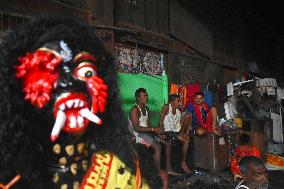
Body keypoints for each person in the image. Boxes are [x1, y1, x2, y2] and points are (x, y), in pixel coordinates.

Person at [0, 15, 163, 189]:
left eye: (86, 72)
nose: (71, 81)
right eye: (51, 70)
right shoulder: (10, 174)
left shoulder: (122, 169)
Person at [129, 88, 179, 176]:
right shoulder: (134, 110)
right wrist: (153, 130)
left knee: (167, 142)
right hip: (137, 136)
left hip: (146, 133)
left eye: (147, 95)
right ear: (138, 98)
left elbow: (148, 126)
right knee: (157, 147)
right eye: (144, 96)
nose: (146, 97)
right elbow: (136, 128)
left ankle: (168, 169)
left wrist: (158, 133)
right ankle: (157, 173)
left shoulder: (146, 109)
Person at [158, 94, 191, 174]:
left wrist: (183, 133)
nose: (179, 103)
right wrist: (160, 133)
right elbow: (161, 121)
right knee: (186, 141)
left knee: (188, 116)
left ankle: (183, 163)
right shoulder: (166, 107)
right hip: (167, 132)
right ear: (172, 102)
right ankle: (183, 163)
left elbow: (177, 126)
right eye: (178, 101)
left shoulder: (178, 112)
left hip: (174, 132)